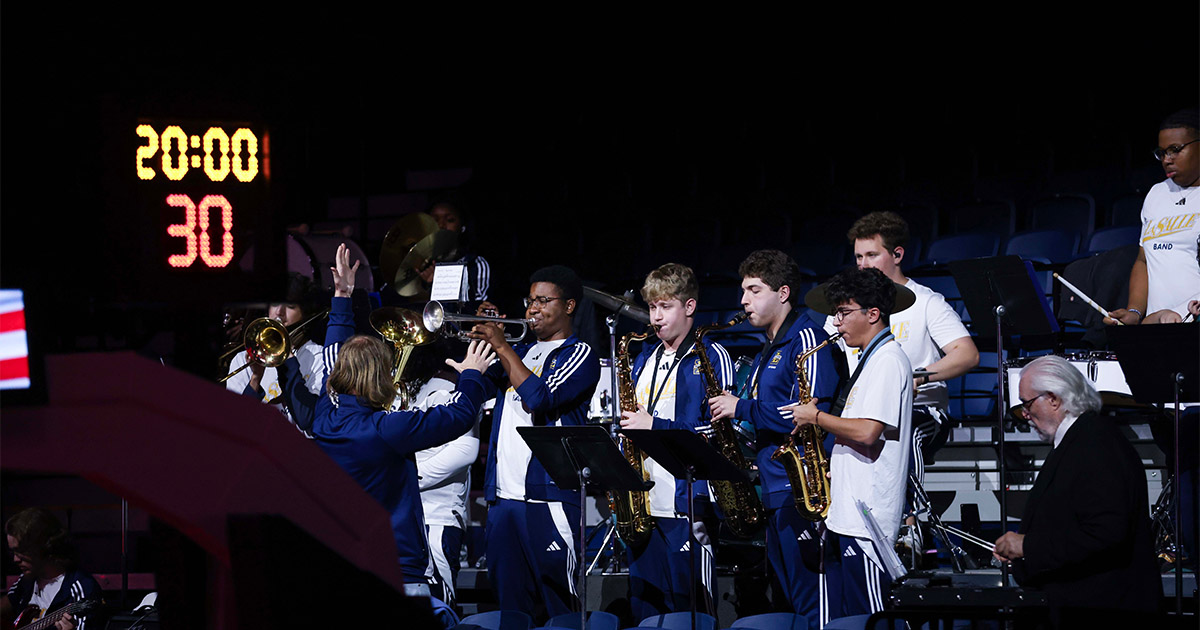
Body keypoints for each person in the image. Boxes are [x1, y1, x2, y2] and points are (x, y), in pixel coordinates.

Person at [312, 243, 495, 596]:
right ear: (380, 378)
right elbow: (457, 417)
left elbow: (332, 356)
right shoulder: (385, 430)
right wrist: (471, 375)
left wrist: (342, 296)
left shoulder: (325, 417)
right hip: (395, 569)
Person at [830, 211, 979, 551]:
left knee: (904, 436)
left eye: (871, 255)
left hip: (920, 412)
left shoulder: (927, 302)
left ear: (897, 255)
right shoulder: (847, 309)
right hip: (862, 413)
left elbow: (967, 354)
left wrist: (917, 377)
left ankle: (908, 524)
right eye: (858, 257)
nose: (863, 264)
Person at [707, 250, 840, 629]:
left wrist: (742, 408)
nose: (743, 300)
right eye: (743, 290)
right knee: (790, 600)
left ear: (783, 292)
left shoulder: (807, 339)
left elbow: (808, 413)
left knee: (813, 601)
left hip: (801, 491)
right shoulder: (769, 349)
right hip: (773, 489)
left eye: (754, 290)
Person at [468, 265, 600, 622]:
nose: (532, 310)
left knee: (561, 609)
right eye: (530, 301)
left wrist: (502, 345)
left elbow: (540, 397)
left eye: (543, 301)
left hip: (549, 497)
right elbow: (478, 385)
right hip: (503, 501)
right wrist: (483, 337)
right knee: (511, 611)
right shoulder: (520, 350)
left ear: (569, 305)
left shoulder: (579, 353)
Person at [993, 355, 1159, 626]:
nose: (1024, 414)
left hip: (1102, 612)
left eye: (1026, 403)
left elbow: (1105, 532)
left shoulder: (1094, 444)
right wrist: (1021, 552)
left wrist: (1028, 545)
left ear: (1054, 399)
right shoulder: (1082, 440)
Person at [788, 268, 914, 623]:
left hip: (868, 520)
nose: (836, 322)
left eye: (843, 312)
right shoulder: (871, 359)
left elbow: (868, 432)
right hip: (850, 515)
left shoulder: (888, 359)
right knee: (850, 620)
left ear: (872, 314)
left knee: (871, 618)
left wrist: (816, 418)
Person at [618, 263, 728, 620]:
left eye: (666, 307)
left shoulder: (711, 356)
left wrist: (655, 425)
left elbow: (717, 433)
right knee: (647, 611)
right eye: (652, 307)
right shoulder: (644, 358)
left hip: (687, 504)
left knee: (692, 611)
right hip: (645, 505)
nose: (656, 317)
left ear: (690, 307)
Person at [1107, 108, 1200, 326]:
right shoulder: (1157, 194)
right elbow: (1143, 260)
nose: (1167, 160)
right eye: (1162, 152)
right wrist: (1135, 312)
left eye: (1175, 150)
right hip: (1157, 326)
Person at [408, 340, 482, 609]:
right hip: (407, 516)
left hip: (438, 518)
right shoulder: (404, 391)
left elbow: (465, 450)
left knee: (439, 604)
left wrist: (411, 477)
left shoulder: (450, 389)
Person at [225, 272, 326, 437]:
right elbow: (238, 425)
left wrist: (288, 361)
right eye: (275, 303)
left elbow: (307, 421)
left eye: (291, 306)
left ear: (305, 313)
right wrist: (255, 379)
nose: (279, 312)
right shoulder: (241, 360)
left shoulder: (320, 357)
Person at [2, 508, 102, 630]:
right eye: (13, 552)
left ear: (43, 546)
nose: (16, 559)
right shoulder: (27, 580)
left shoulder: (81, 588)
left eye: (21, 551)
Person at [428, 200, 491, 306]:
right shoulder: (421, 264)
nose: (441, 225)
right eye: (435, 221)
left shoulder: (475, 264)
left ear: (462, 226)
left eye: (449, 220)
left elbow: (480, 308)